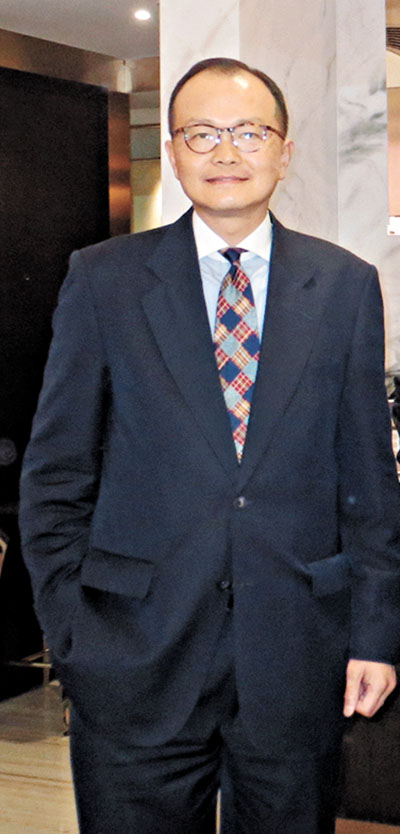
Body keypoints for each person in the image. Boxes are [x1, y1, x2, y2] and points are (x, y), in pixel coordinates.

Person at [19, 57, 400, 834]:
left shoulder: (345, 285)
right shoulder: (104, 280)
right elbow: (56, 472)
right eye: (202, 133)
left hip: (297, 658)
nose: (226, 151)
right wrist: (73, 632)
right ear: (174, 149)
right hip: (132, 660)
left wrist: (375, 635)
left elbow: (368, 483)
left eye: (249, 132)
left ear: (284, 151)